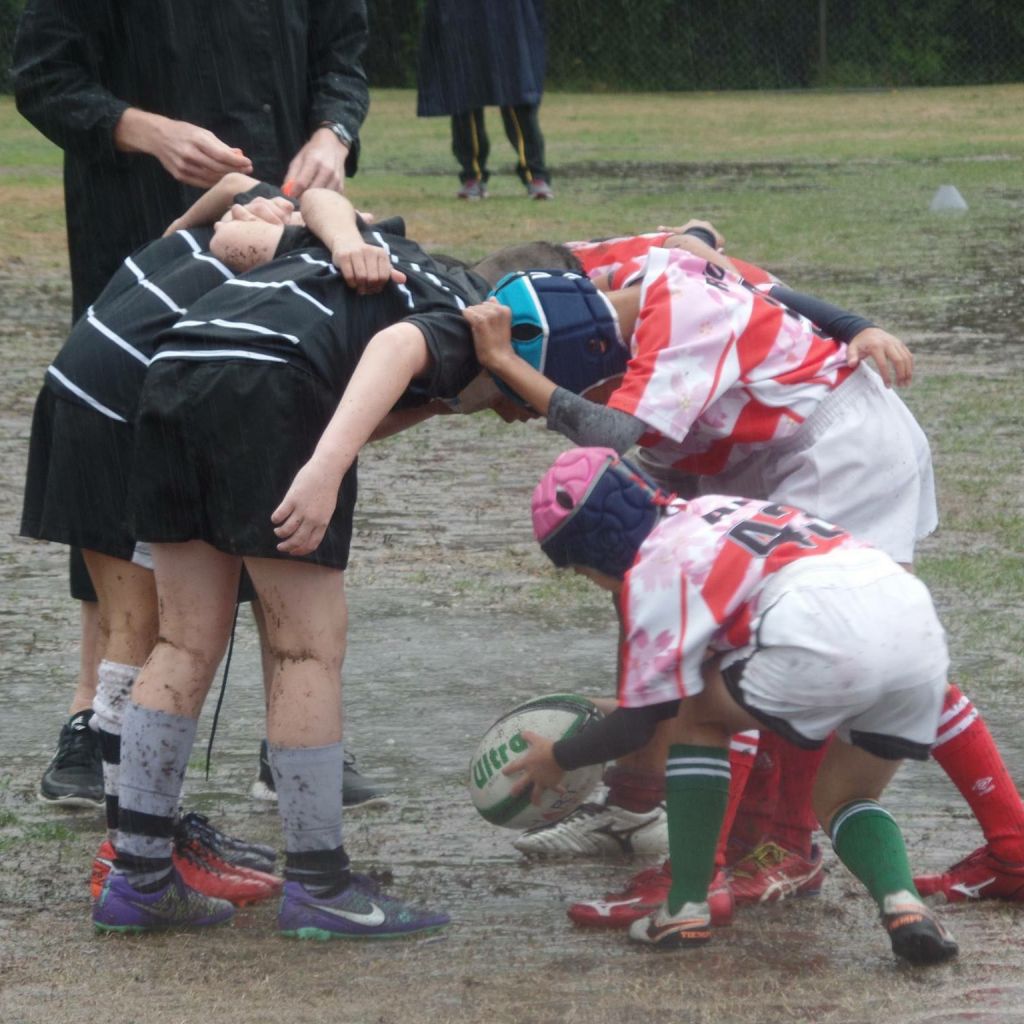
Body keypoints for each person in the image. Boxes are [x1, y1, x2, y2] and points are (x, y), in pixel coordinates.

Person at [465, 249, 1024, 916]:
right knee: (695, 623)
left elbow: (608, 431)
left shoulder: (667, 322)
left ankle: (758, 856)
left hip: (832, 451)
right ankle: (1009, 840)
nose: (518, 413)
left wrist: (506, 365)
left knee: (787, 652)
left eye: (520, 399)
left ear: (580, 353)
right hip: (770, 452)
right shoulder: (621, 274)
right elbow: (767, 288)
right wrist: (852, 324)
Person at [90, 187, 504, 937]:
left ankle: (138, 876)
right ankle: (319, 884)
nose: (512, 413)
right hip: (269, 383)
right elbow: (396, 352)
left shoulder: (344, 253)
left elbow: (253, 234)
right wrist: (322, 468)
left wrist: (341, 233)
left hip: (177, 367)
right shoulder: (467, 314)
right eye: (513, 403)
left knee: (182, 639)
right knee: (305, 647)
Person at [12, 0, 372, 808]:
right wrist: (142, 128)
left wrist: (333, 133)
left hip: (279, 227)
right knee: (121, 455)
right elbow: (43, 76)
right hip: (138, 221)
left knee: (281, 447)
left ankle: (291, 733)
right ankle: (90, 716)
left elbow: (342, 56)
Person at [510, 447, 958, 965]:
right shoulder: (716, 511)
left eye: (583, 573)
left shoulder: (652, 570)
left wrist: (558, 757)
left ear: (596, 554)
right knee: (844, 796)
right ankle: (903, 906)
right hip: (911, 622)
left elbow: (641, 724)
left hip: (821, 628)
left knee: (695, 715)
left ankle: (685, 907)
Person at [417, 0, 553, 200]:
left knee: (517, 94)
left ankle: (535, 176)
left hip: (508, 17)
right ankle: (473, 176)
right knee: (465, 95)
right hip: (461, 16)